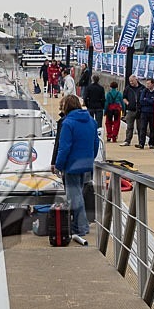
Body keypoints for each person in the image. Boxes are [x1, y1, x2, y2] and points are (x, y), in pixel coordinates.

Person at [55, 94, 99, 238]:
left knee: (75, 197)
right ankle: (80, 224)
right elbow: (96, 143)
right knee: (80, 195)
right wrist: (91, 158)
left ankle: (81, 227)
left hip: (72, 165)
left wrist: (58, 165)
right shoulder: (91, 121)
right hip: (87, 163)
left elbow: (64, 147)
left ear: (66, 107)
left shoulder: (68, 123)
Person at [135, 78, 154, 149]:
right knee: (143, 128)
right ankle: (141, 143)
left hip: (152, 112)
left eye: (149, 84)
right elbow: (141, 101)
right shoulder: (144, 91)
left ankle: (151, 143)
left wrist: (147, 100)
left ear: (153, 84)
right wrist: (150, 100)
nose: (147, 85)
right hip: (144, 112)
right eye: (147, 84)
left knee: (152, 128)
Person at [121, 74, 144, 146]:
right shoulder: (128, 88)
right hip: (130, 109)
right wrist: (128, 103)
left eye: (132, 81)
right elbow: (124, 97)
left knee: (140, 127)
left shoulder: (142, 88)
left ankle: (141, 141)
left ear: (136, 80)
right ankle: (127, 140)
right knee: (129, 126)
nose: (131, 82)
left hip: (139, 110)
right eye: (130, 81)